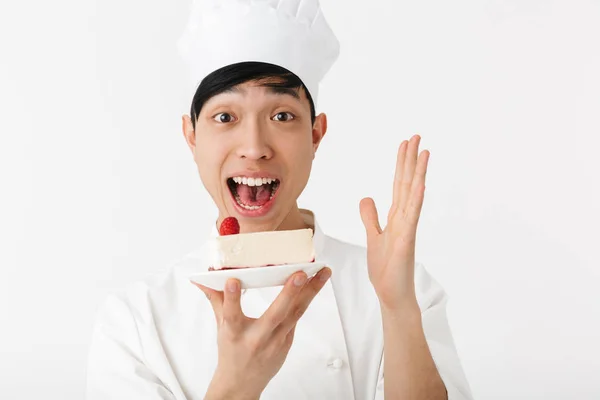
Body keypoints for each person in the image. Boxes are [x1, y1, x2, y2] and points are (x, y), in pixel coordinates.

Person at [85, 0, 473, 398]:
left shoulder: (397, 287)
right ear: (192, 137)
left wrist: (397, 310)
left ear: (316, 135)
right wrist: (237, 385)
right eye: (225, 117)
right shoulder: (136, 321)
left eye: (282, 116)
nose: (254, 148)